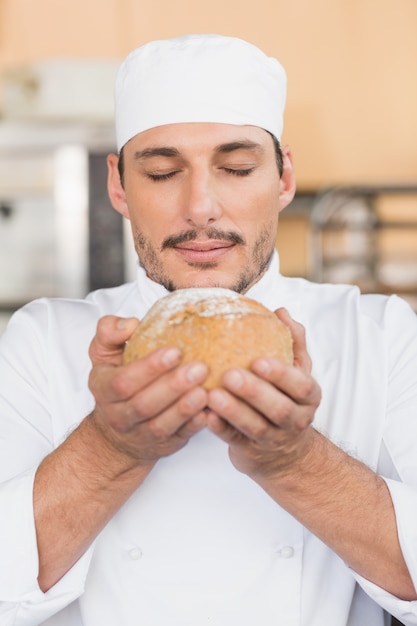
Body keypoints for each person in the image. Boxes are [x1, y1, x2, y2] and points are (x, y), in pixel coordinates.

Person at [0, 33, 417, 626]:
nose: (201, 206)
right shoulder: (42, 340)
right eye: (164, 172)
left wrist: (294, 460)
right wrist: (111, 447)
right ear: (119, 186)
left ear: (284, 177)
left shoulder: (377, 333)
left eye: (238, 167)